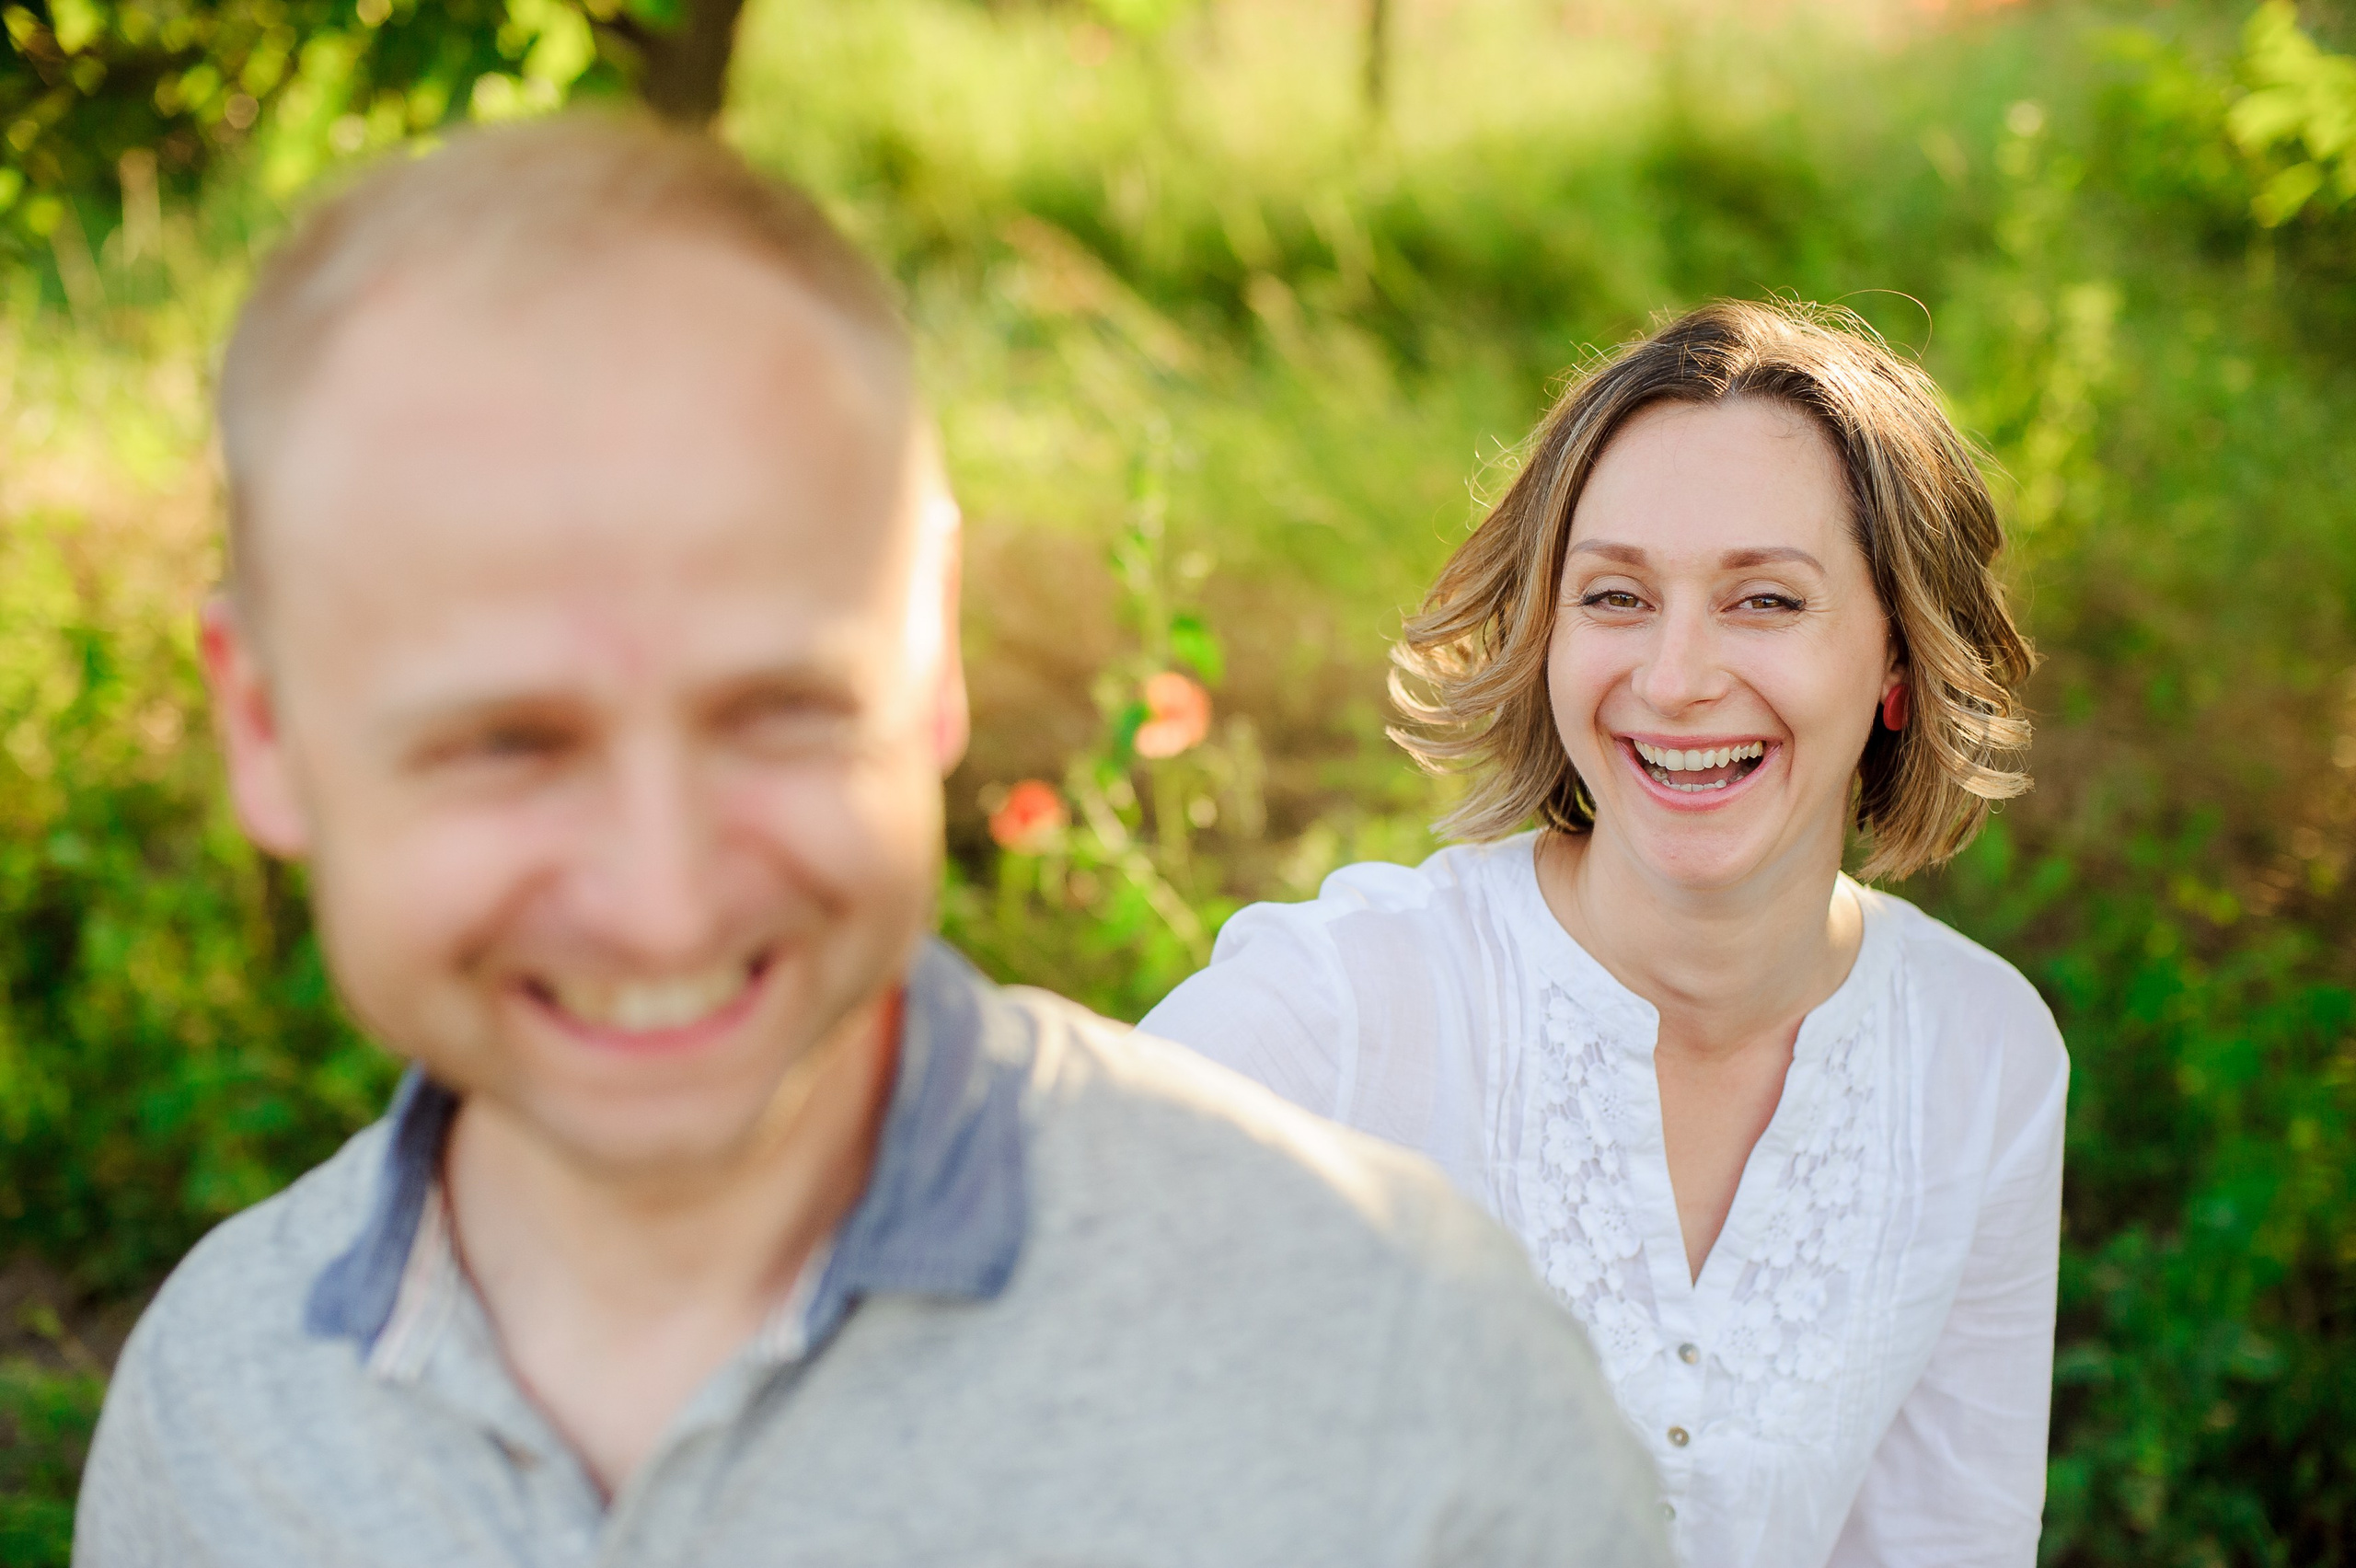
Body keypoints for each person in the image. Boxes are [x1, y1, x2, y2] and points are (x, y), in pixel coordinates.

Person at [70, 118, 1670, 1568]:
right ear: (266, 733)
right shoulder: (220, 1412)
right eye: (507, 744)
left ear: (934, 658)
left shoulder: (1402, 1376)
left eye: (776, 711)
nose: (661, 894)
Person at [1144, 301, 2069, 1568]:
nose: (1678, 676)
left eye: (1764, 601)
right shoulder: (1336, 1015)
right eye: (1618, 594)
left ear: (1901, 661)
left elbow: (1945, 1542)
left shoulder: (1983, 1061)